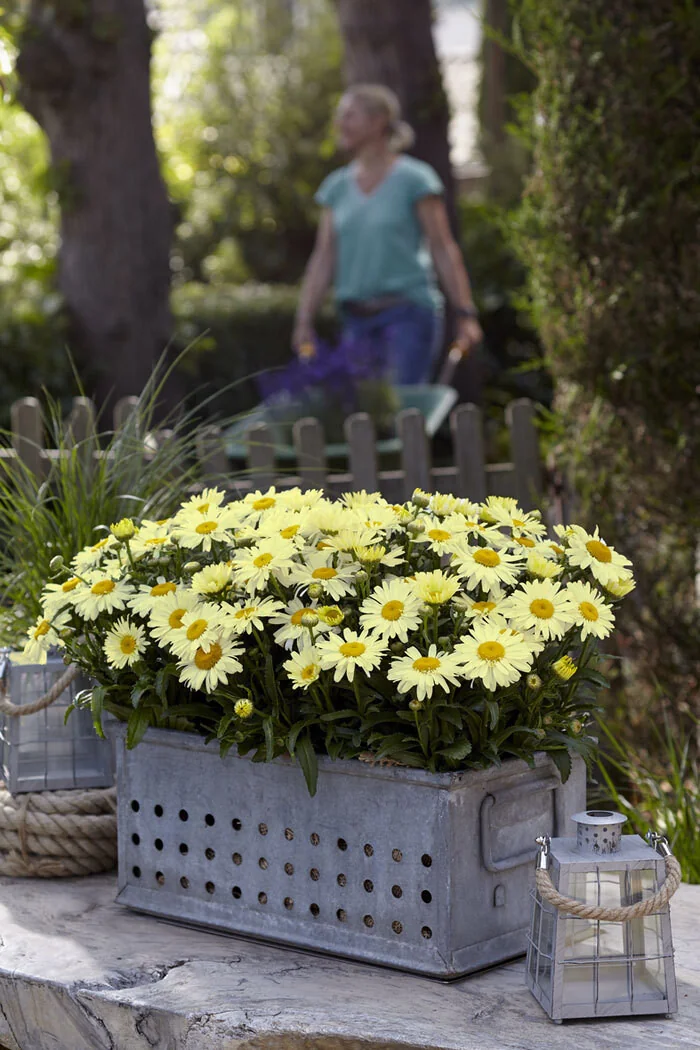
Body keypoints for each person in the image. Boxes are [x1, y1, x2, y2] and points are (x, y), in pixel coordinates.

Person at [292, 83, 482, 385]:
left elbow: (442, 248)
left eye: (349, 115)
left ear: (378, 121)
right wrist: (304, 321)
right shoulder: (336, 188)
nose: (339, 123)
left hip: (407, 315)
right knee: (366, 410)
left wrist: (465, 314)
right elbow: (323, 258)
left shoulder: (415, 179)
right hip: (355, 320)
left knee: (402, 405)